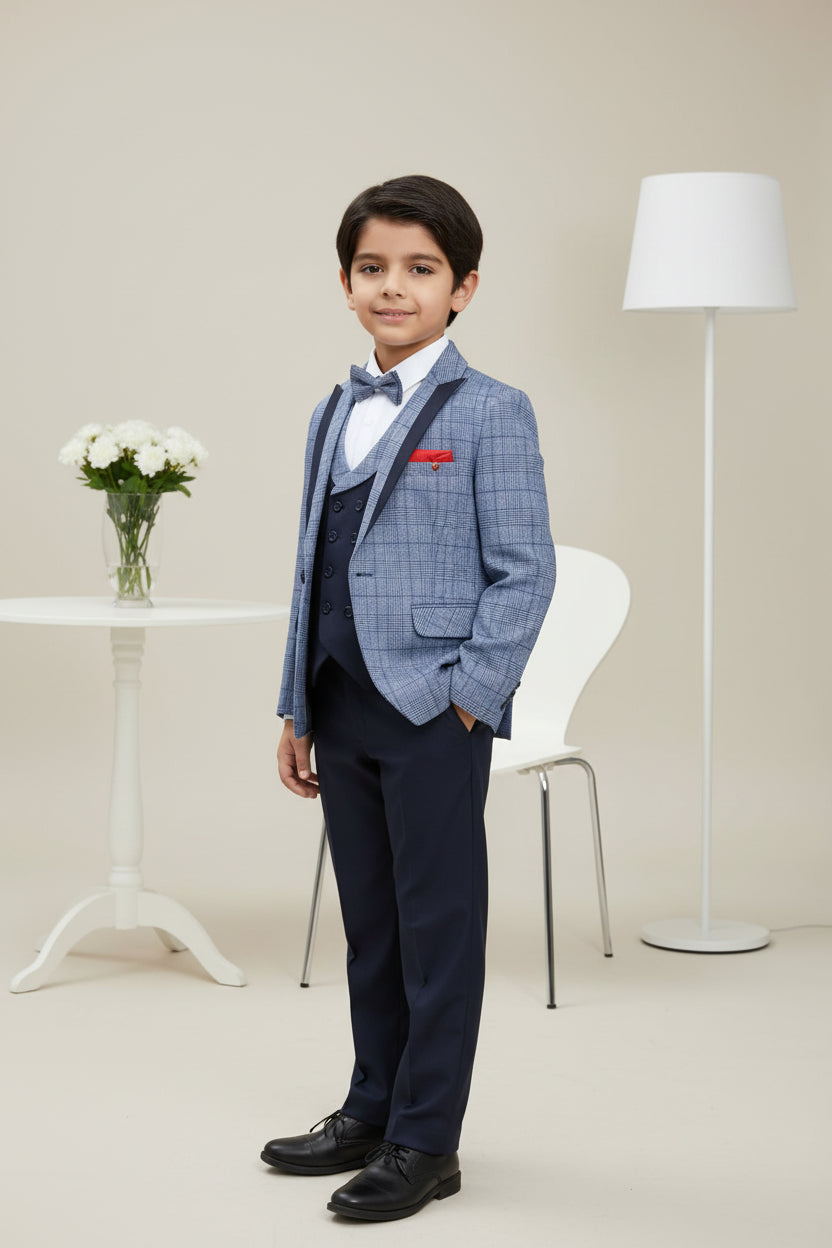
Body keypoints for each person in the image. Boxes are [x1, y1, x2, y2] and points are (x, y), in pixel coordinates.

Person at [261, 174, 556, 1222]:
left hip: (432, 708)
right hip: (340, 700)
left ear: (462, 287)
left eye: (420, 269)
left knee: (437, 926)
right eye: (373, 267)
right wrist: (296, 706)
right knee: (372, 926)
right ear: (346, 283)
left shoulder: (490, 411)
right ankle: (370, 1107)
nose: (394, 286)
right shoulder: (332, 410)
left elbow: (525, 571)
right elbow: (311, 568)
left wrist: (470, 696)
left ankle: (427, 1140)